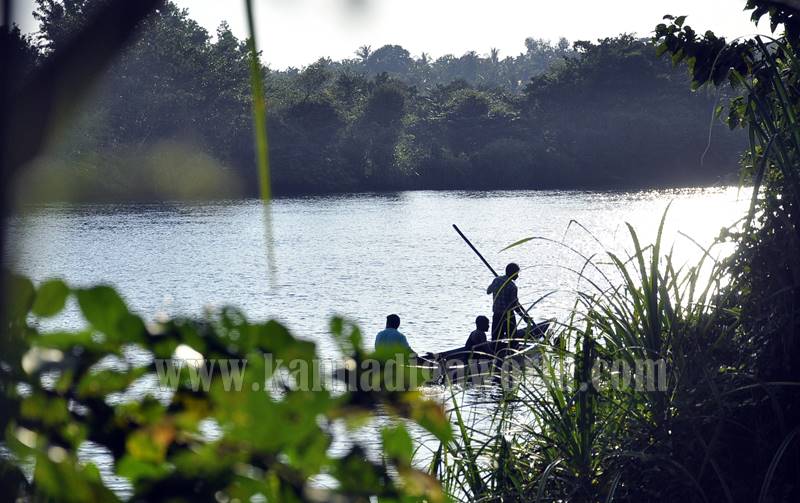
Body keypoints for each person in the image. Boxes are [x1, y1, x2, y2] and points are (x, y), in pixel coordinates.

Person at [486, 263, 533, 341]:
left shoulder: (497, 280)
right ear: (512, 273)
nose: (517, 276)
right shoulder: (512, 287)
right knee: (512, 337)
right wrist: (524, 317)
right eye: (516, 273)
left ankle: (497, 350)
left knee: (496, 338)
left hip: (497, 314)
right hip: (508, 316)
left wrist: (497, 283)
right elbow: (515, 305)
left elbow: (488, 291)